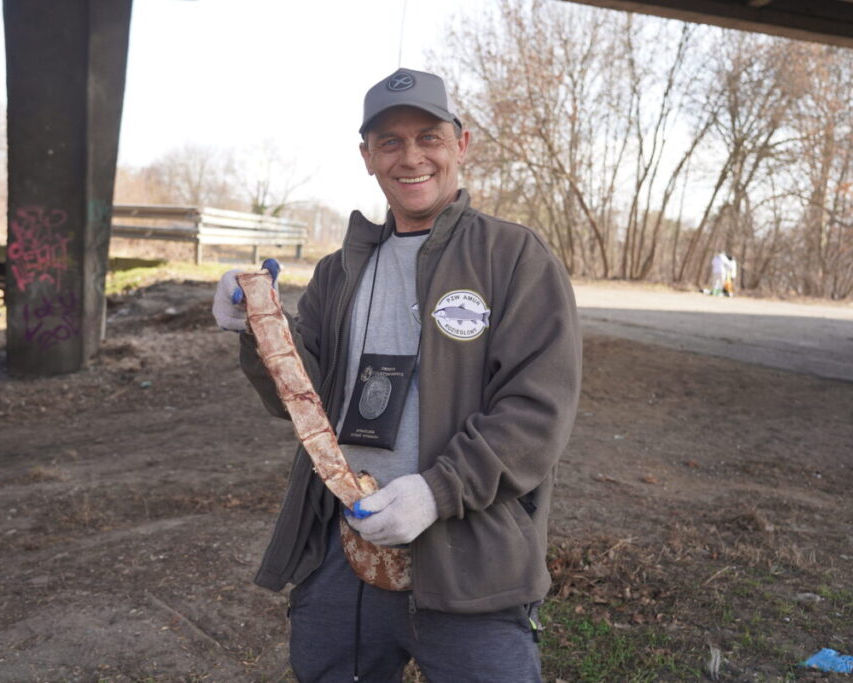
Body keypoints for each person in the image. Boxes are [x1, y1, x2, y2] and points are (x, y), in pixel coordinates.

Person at [213, 68, 581, 682]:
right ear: (367, 157)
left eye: (429, 138)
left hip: (472, 562)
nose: (411, 158)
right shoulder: (340, 271)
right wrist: (255, 327)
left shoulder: (513, 258)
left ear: (461, 145)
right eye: (390, 142)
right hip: (344, 554)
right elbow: (301, 399)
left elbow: (536, 412)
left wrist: (436, 491)